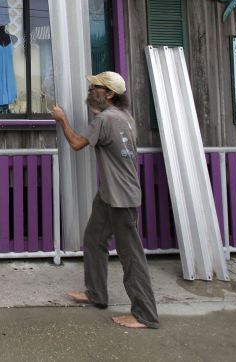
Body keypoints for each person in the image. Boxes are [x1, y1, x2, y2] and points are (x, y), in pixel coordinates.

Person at [50, 71, 160, 330]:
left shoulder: (105, 119)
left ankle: (146, 315)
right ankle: (96, 293)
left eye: (95, 88)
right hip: (110, 194)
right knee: (94, 238)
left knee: (131, 257)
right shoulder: (125, 117)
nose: (90, 91)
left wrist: (62, 120)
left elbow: (77, 143)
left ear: (109, 94)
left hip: (121, 198)